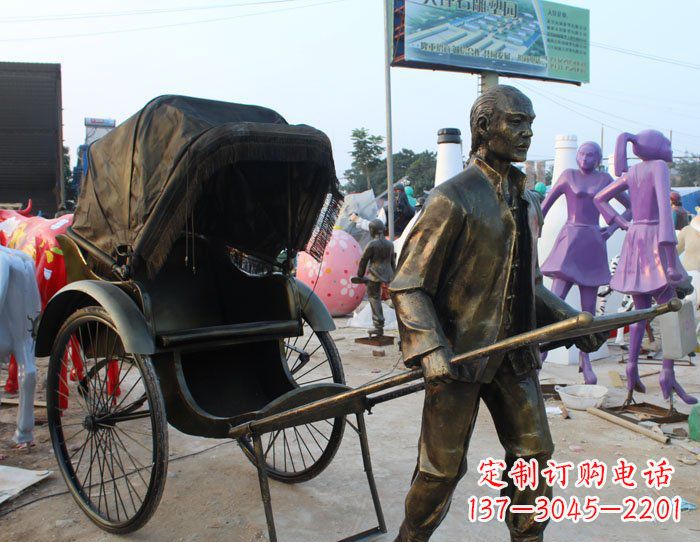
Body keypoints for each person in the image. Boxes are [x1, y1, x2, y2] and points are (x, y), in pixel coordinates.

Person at [390, 85, 605, 542]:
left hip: (514, 356)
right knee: (441, 472)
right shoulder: (453, 198)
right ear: (484, 128)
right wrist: (430, 350)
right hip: (460, 357)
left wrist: (574, 322)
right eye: (516, 122)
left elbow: (528, 288)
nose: (527, 133)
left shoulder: (527, 202)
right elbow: (409, 285)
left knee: (533, 458)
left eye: (530, 123)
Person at [595, 130, 696, 405]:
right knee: (670, 311)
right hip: (654, 243)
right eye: (667, 144)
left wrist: (622, 223)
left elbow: (599, 199)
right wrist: (669, 253)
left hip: (635, 241)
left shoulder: (632, 172)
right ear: (657, 147)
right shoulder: (658, 167)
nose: (671, 149)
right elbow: (665, 210)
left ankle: (631, 370)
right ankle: (667, 373)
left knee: (640, 311)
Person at [539, 141, 631, 384]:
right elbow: (544, 206)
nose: (585, 158)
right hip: (569, 241)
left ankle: (584, 359)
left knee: (587, 309)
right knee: (553, 303)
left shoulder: (604, 179)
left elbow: (630, 206)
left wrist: (611, 230)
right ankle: (541, 353)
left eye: (591, 155)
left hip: (592, 243)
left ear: (598, 159)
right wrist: (534, 228)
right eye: (581, 153)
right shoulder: (567, 176)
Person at [355, 219, 396, 335]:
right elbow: (393, 261)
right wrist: (395, 276)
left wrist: (360, 275)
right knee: (394, 299)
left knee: (374, 297)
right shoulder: (390, 244)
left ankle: (378, 326)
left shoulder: (372, 244)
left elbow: (363, 260)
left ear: (372, 230)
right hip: (389, 275)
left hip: (375, 275)